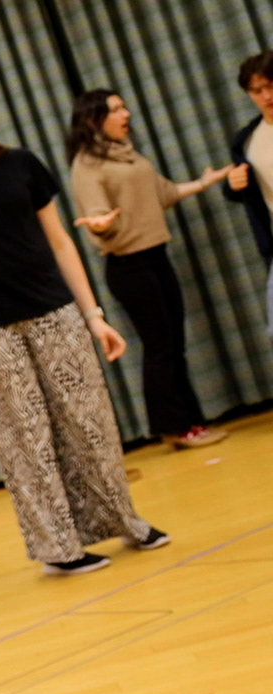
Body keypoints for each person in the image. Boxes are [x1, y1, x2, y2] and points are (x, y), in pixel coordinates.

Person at [0, 81, 167, 577]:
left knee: (89, 423)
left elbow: (61, 243)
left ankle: (124, 521)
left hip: (55, 314)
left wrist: (94, 315)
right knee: (24, 439)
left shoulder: (21, 166)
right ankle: (58, 548)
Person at [67, 89, 230, 449]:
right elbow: (97, 218)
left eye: (125, 106)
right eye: (116, 109)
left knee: (174, 344)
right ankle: (174, 428)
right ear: (94, 120)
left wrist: (204, 182)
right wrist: (100, 225)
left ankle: (189, 423)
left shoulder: (127, 154)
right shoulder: (87, 164)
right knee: (160, 347)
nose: (126, 114)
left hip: (157, 257)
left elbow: (163, 193)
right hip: (129, 265)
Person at [223, 49, 273, 333]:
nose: (267, 96)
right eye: (257, 90)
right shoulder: (246, 140)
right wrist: (232, 184)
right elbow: (239, 188)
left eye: (271, 86)